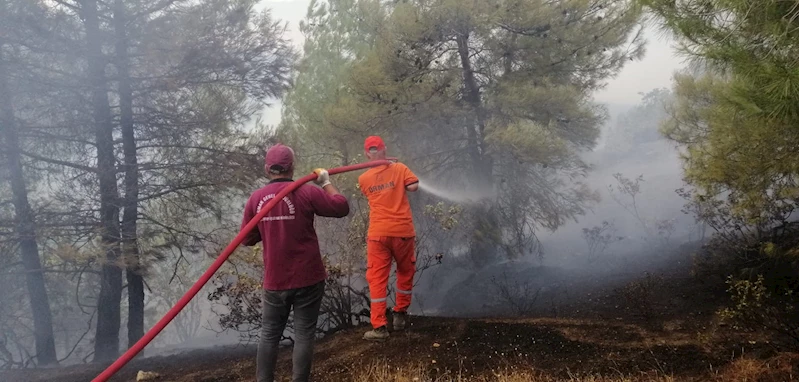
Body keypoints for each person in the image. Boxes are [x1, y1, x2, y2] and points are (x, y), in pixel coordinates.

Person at [241, 143, 349, 382]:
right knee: (303, 335)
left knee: (269, 334)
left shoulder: (256, 198)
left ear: (267, 168)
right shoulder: (307, 192)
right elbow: (341, 207)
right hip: (308, 278)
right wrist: (325, 182)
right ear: (292, 167)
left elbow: (247, 239)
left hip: (275, 280)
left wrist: (269, 227)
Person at [357, 135, 419, 341]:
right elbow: (413, 187)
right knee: (405, 271)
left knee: (377, 278)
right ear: (384, 149)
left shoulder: (363, 179)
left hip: (378, 235)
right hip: (402, 232)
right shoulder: (400, 169)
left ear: (367, 153)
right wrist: (395, 172)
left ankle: (379, 327)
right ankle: (400, 315)